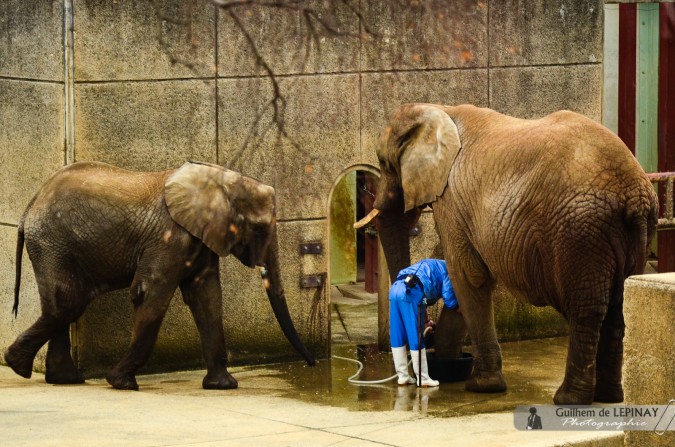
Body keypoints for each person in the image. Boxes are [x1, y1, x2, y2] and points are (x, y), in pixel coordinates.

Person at [389, 259, 458, 387]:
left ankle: (403, 377)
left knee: (397, 335)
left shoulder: (431, 264)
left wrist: (426, 321)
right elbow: (449, 299)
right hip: (411, 292)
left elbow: (424, 301)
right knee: (416, 336)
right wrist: (458, 306)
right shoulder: (449, 270)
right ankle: (423, 378)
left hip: (395, 289)